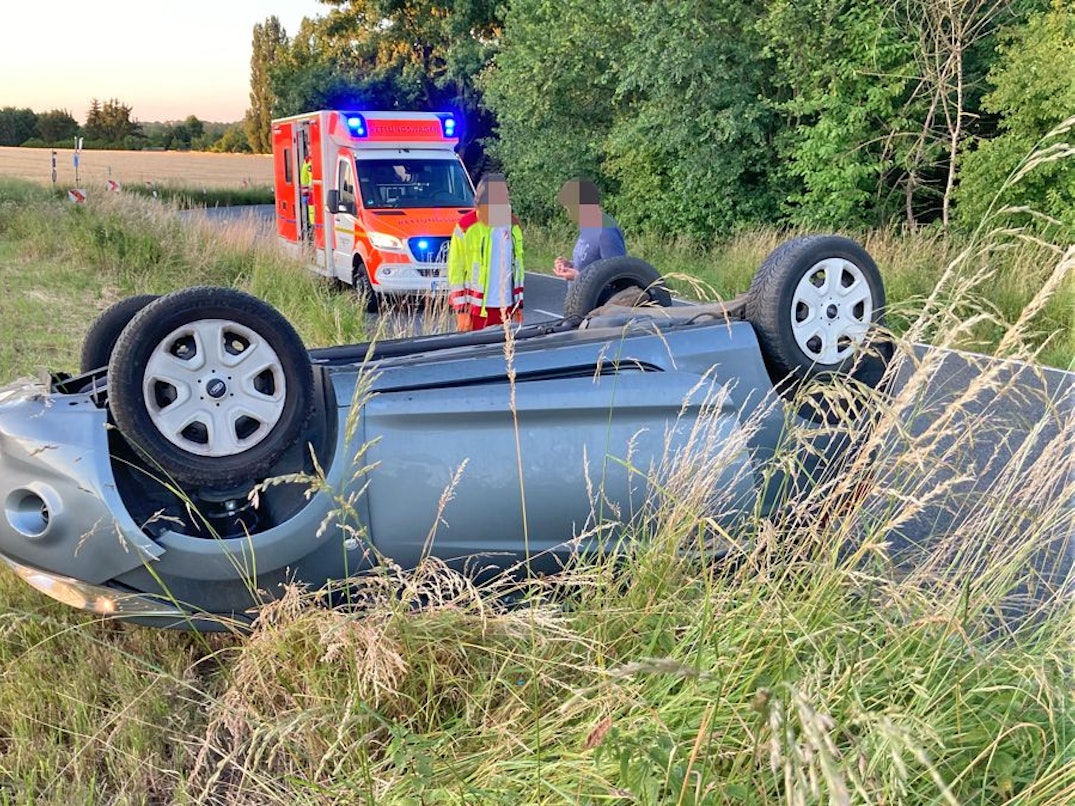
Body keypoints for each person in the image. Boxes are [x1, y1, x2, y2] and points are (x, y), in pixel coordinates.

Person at [447, 174, 525, 332]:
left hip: (507, 306)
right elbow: (456, 270)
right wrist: (461, 310)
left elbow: (517, 268)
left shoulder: (512, 224)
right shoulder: (466, 226)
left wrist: (518, 304)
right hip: (478, 309)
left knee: (506, 354)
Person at [552, 178, 627, 283]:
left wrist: (578, 277)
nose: (565, 208)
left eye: (569, 205)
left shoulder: (606, 232)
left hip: (598, 299)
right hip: (580, 298)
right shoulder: (588, 226)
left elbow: (618, 278)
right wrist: (570, 265)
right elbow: (592, 264)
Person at [299, 150, 315, 240]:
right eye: (309, 149)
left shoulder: (321, 158)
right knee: (312, 215)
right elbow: (304, 178)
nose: (310, 151)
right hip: (312, 194)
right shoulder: (307, 161)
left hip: (320, 193)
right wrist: (305, 193)